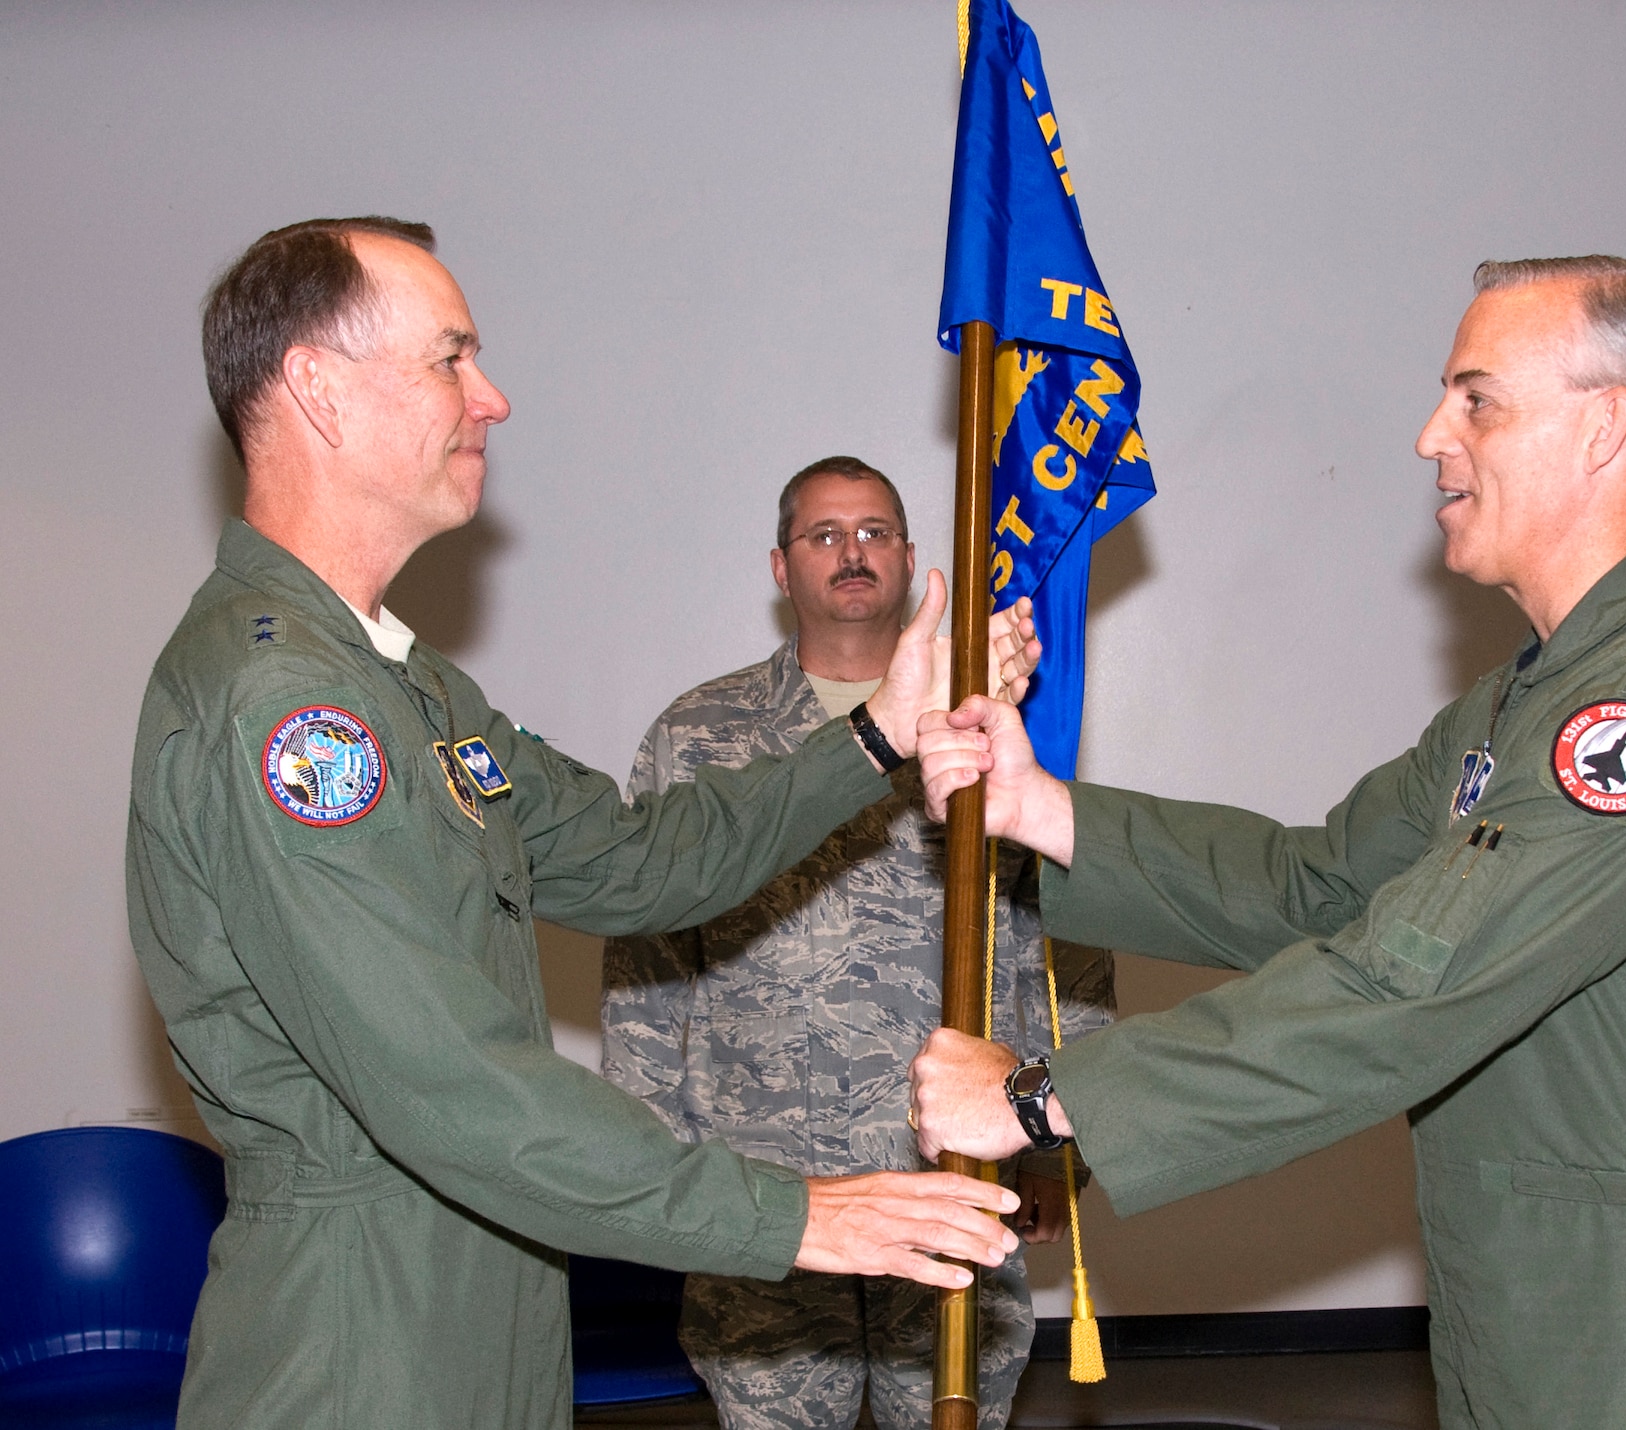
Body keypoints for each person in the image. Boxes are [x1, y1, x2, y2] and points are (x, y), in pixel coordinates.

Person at [911, 257, 1626, 1429]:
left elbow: (1409, 983)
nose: (1429, 435)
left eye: (1476, 399)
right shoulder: (1522, 702)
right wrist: (1039, 809)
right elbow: (1319, 885)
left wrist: (1035, 1098)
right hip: (1525, 1292)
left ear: (1603, 429)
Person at [124, 216, 1040, 1430]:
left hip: (493, 1278)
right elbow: (450, 1083)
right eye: (449, 358)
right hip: (364, 1325)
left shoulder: (403, 682)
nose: (490, 398)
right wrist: (792, 1213)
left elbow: (637, 858)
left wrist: (874, 730)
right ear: (317, 388)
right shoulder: (287, 705)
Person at [603, 455, 1115, 1430]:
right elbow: (648, 947)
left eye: (874, 531)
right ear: (779, 566)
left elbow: (1064, 935)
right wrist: (656, 1166)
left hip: (956, 1180)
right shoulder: (700, 735)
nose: (851, 552)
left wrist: (1060, 1144)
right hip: (765, 1196)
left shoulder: (982, 722)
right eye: (824, 534)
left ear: (912, 558)